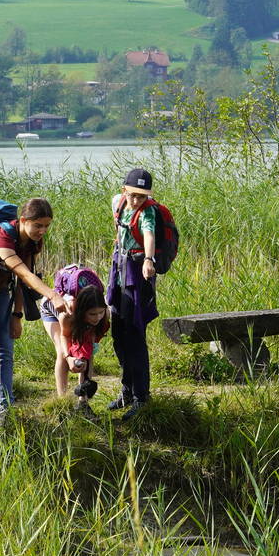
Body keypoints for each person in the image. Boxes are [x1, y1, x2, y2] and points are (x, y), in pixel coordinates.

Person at [0, 198, 67, 413]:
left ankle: (6, 409)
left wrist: (17, 315)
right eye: (38, 225)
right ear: (24, 220)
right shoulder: (2, 236)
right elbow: (23, 273)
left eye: (46, 226)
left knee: (4, 350)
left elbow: (21, 282)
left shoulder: (33, 242)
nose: (43, 230)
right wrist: (53, 296)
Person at [107, 169, 159, 418]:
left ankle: (141, 397)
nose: (137, 200)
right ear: (124, 189)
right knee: (118, 333)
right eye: (133, 194)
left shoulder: (148, 211)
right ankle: (126, 391)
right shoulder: (118, 202)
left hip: (139, 273)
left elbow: (148, 234)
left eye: (142, 196)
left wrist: (149, 259)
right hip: (118, 271)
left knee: (135, 335)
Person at [59, 285, 110, 419]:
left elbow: (89, 346)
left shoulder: (105, 314)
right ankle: (62, 403)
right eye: (92, 314)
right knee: (61, 353)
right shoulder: (67, 316)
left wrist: (83, 359)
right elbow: (64, 335)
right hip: (53, 312)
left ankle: (82, 402)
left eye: (100, 312)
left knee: (86, 354)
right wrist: (68, 357)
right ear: (82, 311)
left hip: (80, 322)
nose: (98, 317)